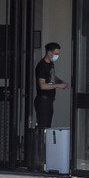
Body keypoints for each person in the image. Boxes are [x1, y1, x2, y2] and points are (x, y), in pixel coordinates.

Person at [34, 42, 70, 170]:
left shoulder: (51, 64)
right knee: (43, 128)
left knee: (48, 127)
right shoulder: (41, 66)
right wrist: (59, 86)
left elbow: (52, 78)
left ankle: (46, 157)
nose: (57, 56)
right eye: (56, 54)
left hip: (49, 100)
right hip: (43, 100)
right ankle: (40, 159)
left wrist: (61, 82)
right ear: (49, 53)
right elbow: (43, 85)